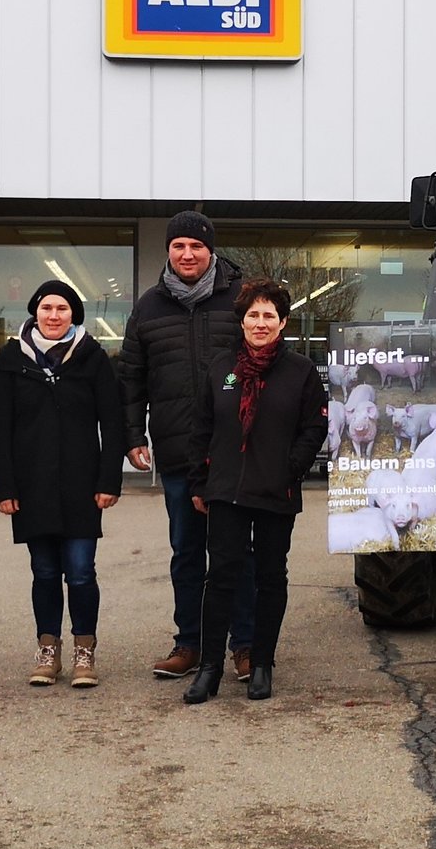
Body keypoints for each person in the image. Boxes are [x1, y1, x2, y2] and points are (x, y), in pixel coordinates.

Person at [119, 211, 258, 681]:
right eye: (178, 246)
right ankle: (190, 643)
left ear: (210, 251)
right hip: (179, 449)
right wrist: (133, 435)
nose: (187, 254)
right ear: (168, 251)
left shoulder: (240, 300)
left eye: (196, 246)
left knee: (235, 551)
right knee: (186, 552)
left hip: (235, 450)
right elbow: (131, 379)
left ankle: (244, 644)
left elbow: (265, 360)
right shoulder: (148, 307)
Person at [181, 278, 330, 704]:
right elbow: (201, 429)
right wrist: (199, 481)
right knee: (221, 576)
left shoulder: (300, 371)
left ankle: (262, 662)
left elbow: (314, 426)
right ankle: (209, 667)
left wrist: (291, 469)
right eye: (253, 315)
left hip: (275, 491)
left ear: (283, 322)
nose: (260, 323)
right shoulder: (220, 367)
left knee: (270, 576)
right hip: (226, 489)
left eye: (269, 315)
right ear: (242, 320)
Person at [0, 280, 126, 688]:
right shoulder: (14, 358)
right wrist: (5, 486)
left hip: (82, 484)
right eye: (47, 308)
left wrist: (109, 479)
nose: (53, 315)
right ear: (35, 312)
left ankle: (85, 650)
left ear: (73, 315)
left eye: (62, 309)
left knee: (81, 571)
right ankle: (48, 649)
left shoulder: (93, 357)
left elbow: (113, 422)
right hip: (31, 486)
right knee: (44, 570)